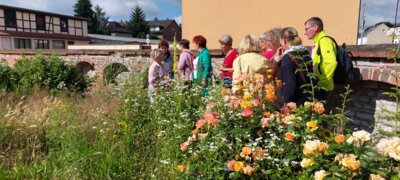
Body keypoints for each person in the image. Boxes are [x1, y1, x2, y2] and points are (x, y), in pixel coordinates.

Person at [273, 27, 313, 106]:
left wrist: (285, 100)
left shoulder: (287, 57)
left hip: (294, 101)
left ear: (284, 40)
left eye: (280, 41)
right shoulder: (305, 52)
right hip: (306, 98)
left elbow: (290, 84)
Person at [304, 17, 337, 101]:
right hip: (320, 85)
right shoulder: (319, 41)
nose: (305, 33)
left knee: (318, 112)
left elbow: (331, 63)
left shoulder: (324, 41)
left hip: (323, 87)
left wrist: (321, 83)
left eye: (307, 29)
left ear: (315, 27)